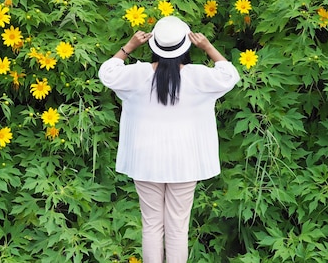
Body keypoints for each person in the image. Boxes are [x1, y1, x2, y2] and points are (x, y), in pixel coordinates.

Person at [98, 15, 240, 263]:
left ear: (155, 46)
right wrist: (207, 47)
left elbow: (107, 72)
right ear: (185, 47)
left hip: (145, 161)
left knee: (151, 225)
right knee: (177, 228)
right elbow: (230, 75)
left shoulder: (138, 74)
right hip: (185, 163)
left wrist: (129, 46)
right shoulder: (198, 76)